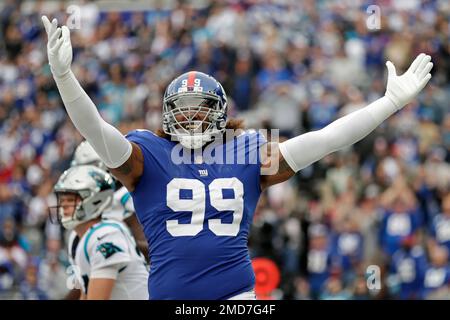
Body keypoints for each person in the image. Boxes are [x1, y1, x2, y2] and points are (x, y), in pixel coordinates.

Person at [41, 16, 433, 300]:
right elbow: (95, 129)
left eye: (200, 108)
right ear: (166, 113)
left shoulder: (247, 150)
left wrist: (389, 103)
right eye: (183, 108)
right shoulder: (147, 153)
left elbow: (326, 139)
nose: (191, 117)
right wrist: (65, 78)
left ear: (222, 112)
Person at [51, 165, 149, 300]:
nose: (63, 206)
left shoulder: (106, 235)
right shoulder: (80, 238)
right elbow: (84, 294)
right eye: (62, 200)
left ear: (93, 200)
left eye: (70, 200)